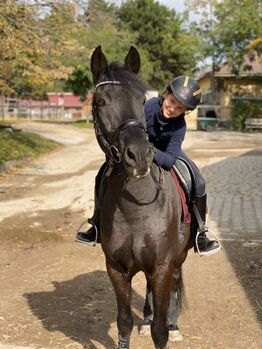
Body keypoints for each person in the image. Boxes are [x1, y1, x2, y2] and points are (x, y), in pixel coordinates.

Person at [76, 75, 221, 256]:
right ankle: (96, 225)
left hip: (163, 152)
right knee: (102, 174)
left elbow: (169, 161)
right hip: (138, 146)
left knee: (199, 181)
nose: (173, 108)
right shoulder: (148, 106)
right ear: (166, 93)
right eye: (172, 101)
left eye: (179, 108)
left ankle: (200, 232)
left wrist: (150, 150)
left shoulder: (179, 127)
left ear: (185, 111)